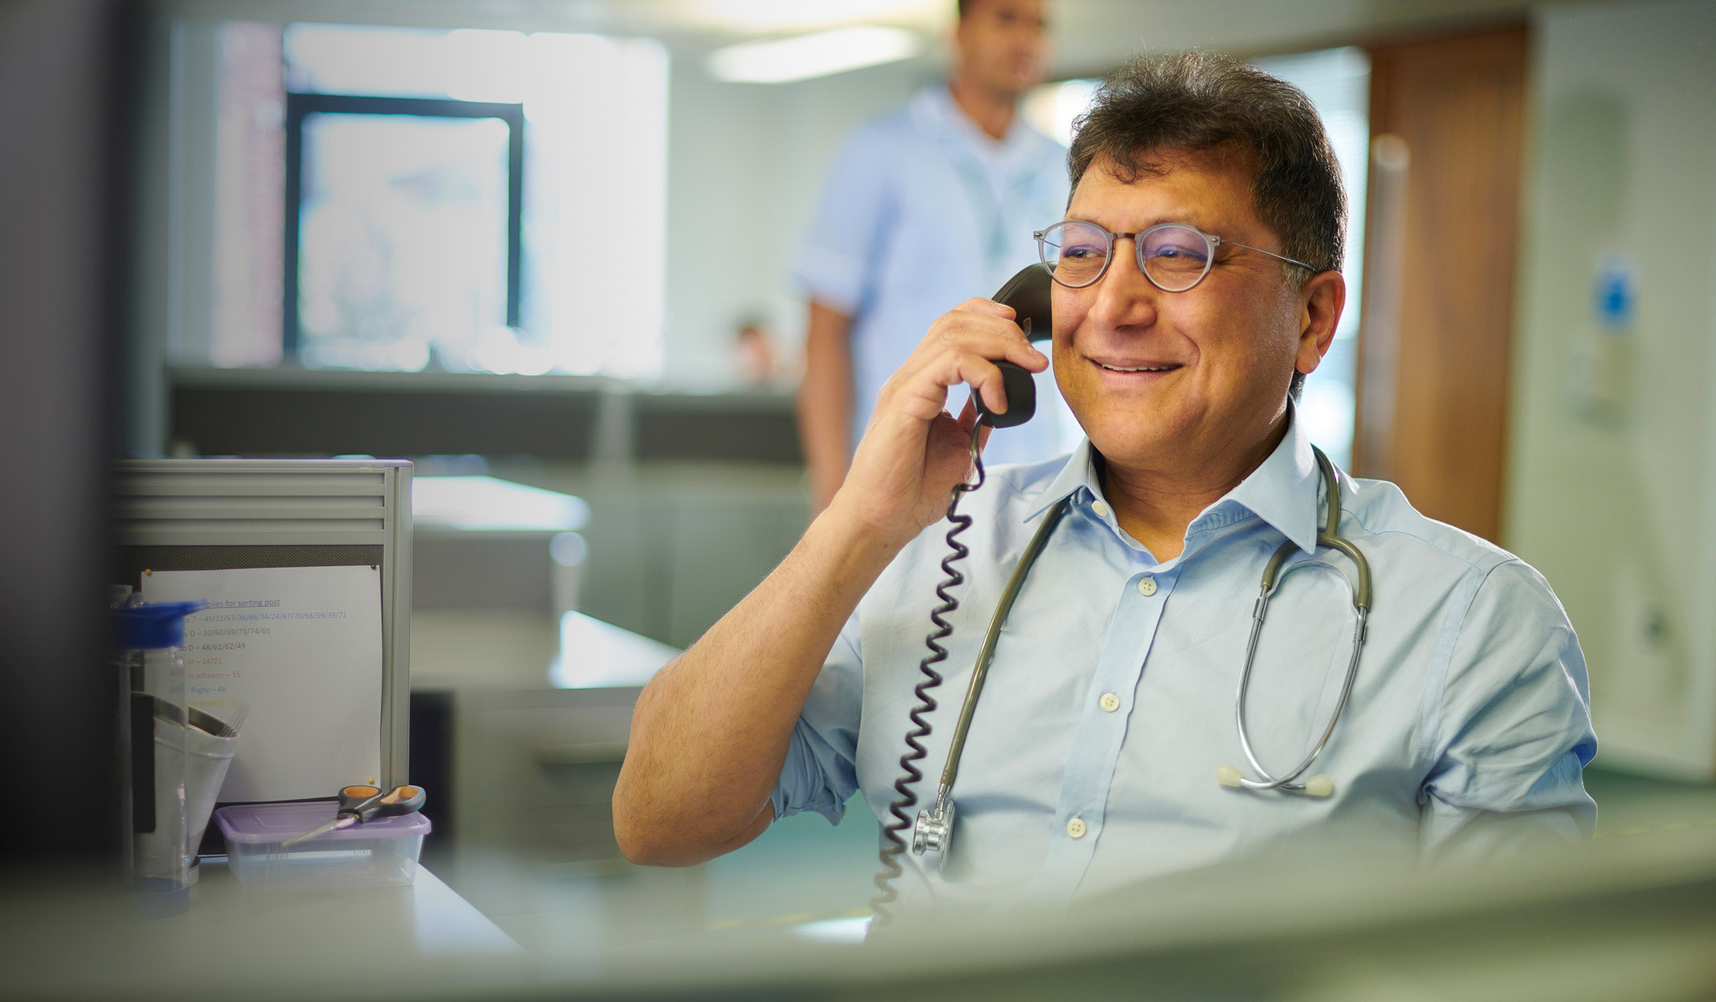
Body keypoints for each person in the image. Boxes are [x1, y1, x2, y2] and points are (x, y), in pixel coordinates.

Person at [615, 51, 1595, 918]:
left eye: (1179, 256)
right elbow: (657, 817)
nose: (1114, 306)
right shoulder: (945, 551)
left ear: (1311, 316)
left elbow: (1524, 970)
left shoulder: (1474, 623)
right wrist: (856, 526)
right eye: (1083, 254)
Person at [795, 0, 1076, 515]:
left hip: (1036, 481)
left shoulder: (1062, 164)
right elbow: (825, 330)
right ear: (960, 33)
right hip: (904, 473)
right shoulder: (882, 150)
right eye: (1006, 18)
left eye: (1039, 24)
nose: (1025, 40)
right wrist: (834, 499)